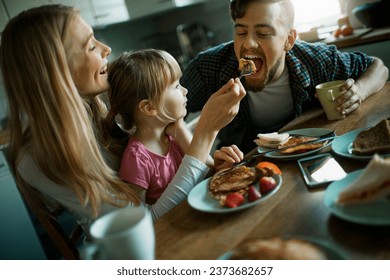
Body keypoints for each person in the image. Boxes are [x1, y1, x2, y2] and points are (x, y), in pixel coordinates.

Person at [0, 5, 246, 230]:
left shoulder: (104, 110)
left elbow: (164, 174)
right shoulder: (38, 158)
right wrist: (206, 132)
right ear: (56, 72)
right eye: (91, 46)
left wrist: (208, 165)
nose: (106, 49)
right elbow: (141, 224)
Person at [181, 0, 389, 153]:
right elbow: (161, 114)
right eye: (241, 32)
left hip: (310, 154)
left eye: (263, 34)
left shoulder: (315, 60)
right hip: (243, 167)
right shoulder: (208, 68)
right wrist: (203, 151)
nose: (249, 44)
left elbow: (378, 67)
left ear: (289, 40)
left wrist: (359, 91)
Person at [105, 49, 243, 205]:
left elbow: (207, 173)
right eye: (176, 86)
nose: (185, 91)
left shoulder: (174, 133)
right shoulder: (137, 159)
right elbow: (142, 216)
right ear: (150, 108)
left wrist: (220, 165)